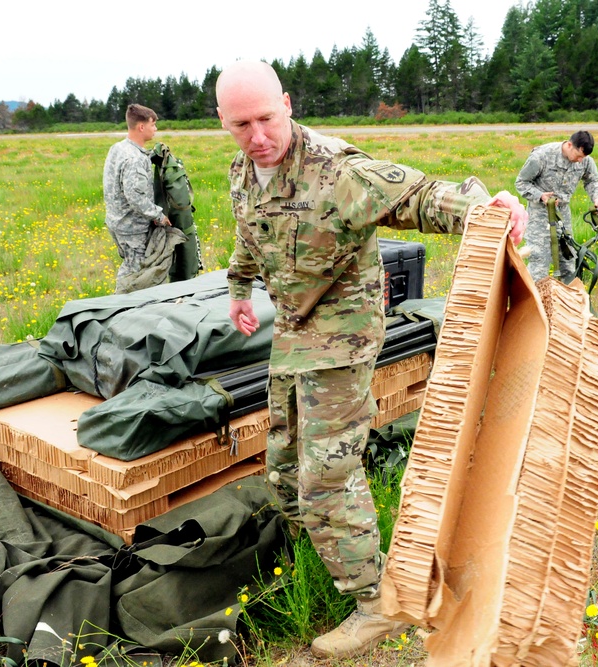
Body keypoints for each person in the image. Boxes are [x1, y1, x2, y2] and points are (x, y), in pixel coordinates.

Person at [215, 60, 526, 659]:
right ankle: (329, 544)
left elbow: (420, 195)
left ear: (287, 103)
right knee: (282, 470)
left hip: (344, 334)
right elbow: (247, 231)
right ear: (223, 122)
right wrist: (238, 291)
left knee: (326, 480)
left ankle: (375, 605)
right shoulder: (243, 171)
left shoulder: (338, 173)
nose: (257, 135)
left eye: (266, 118)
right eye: (241, 124)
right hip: (294, 331)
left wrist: (487, 209)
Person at [103, 104, 173, 293]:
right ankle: (118, 310)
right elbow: (135, 197)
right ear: (141, 127)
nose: (155, 129)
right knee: (133, 273)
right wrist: (159, 216)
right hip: (131, 227)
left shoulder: (119, 148)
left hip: (116, 221)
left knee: (131, 265)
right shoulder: (135, 159)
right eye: (153, 124)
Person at [515, 130, 598, 282]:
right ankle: (535, 302)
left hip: (563, 215)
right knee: (539, 263)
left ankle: (566, 301)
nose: (581, 161)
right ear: (569, 145)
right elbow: (521, 182)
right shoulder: (542, 156)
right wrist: (541, 196)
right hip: (539, 216)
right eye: (578, 156)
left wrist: (596, 197)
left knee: (568, 260)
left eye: (584, 157)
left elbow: (592, 180)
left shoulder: (585, 160)